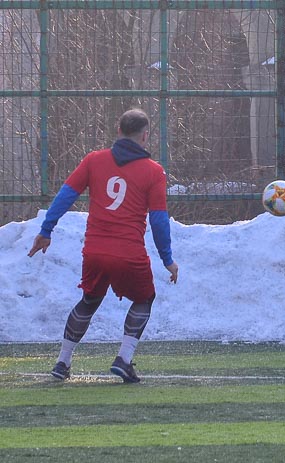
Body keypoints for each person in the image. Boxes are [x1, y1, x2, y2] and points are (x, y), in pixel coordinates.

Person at [28, 108, 178, 383]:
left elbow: (65, 196)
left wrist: (46, 230)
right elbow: (158, 221)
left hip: (94, 251)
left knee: (89, 300)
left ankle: (62, 362)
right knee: (144, 299)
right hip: (129, 253)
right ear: (145, 137)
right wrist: (167, 259)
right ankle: (123, 358)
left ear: (118, 131)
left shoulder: (93, 160)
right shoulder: (154, 172)